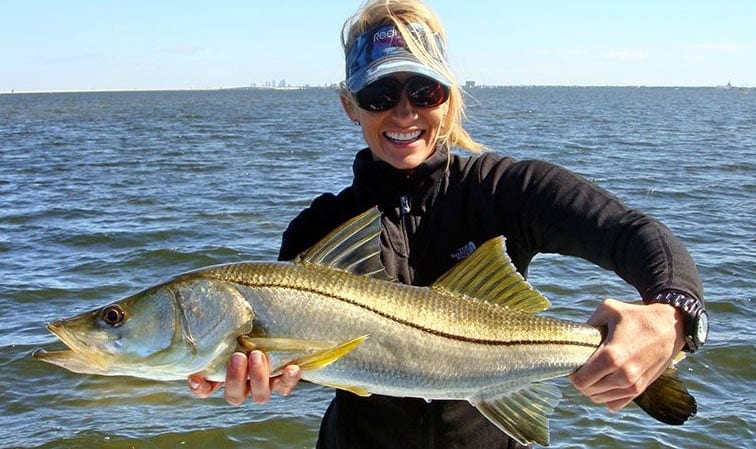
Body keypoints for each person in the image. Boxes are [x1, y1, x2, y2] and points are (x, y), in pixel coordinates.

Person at [188, 1, 707, 448]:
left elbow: (633, 233)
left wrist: (674, 315)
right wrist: (250, 376)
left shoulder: (507, 189)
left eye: (423, 91)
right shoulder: (317, 231)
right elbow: (301, 365)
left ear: (450, 96)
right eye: (379, 96)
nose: (403, 112)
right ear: (350, 106)